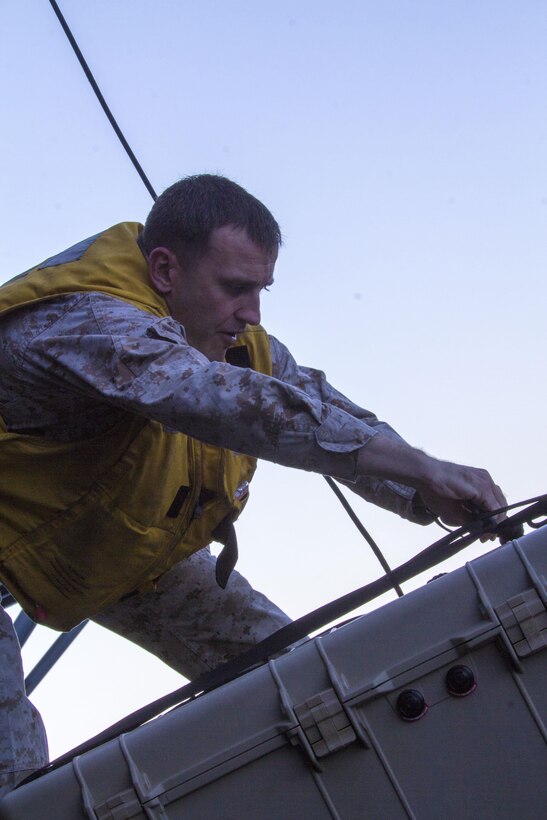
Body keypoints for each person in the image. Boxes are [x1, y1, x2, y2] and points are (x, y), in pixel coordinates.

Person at [0, 174, 506, 793]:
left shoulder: (239, 342)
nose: (253, 314)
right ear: (164, 270)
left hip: (96, 543)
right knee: (13, 777)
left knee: (293, 680)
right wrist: (424, 470)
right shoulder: (88, 321)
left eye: (262, 289)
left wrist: (419, 492)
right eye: (235, 288)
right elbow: (221, 402)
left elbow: (322, 407)